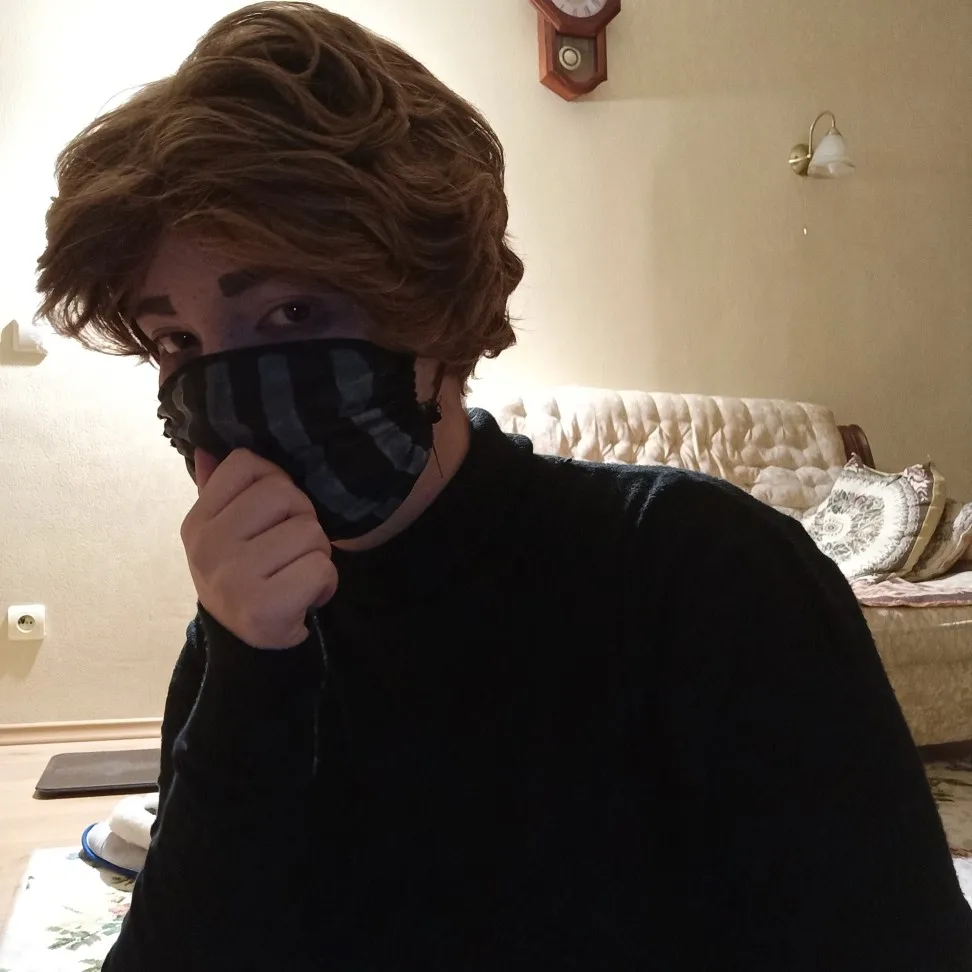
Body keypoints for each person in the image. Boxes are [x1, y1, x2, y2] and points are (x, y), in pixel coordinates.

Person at [35, 3, 972, 969]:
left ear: (438, 309)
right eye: (176, 340)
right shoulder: (244, 637)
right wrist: (248, 678)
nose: (224, 386)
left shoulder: (703, 574)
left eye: (292, 312)